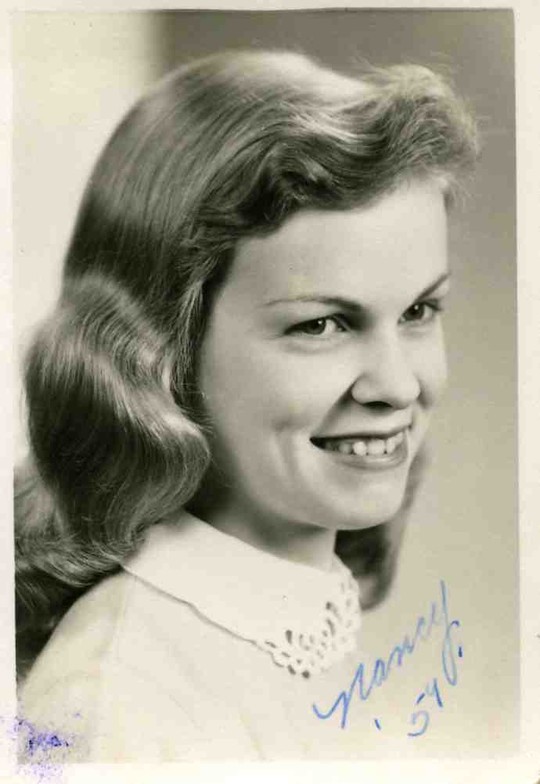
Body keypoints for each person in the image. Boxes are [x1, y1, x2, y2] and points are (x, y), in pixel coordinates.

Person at [15, 49, 478, 762]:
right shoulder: (119, 707)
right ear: (161, 349)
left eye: (418, 311)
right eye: (321, 325)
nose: (398, 385)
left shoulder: (286, 625)